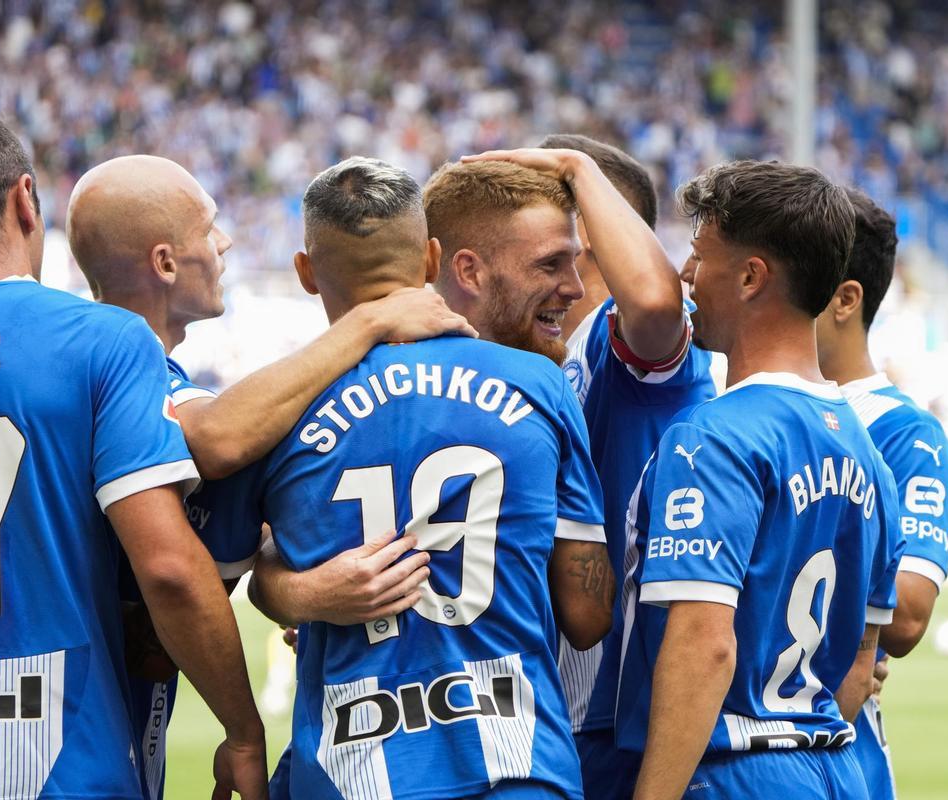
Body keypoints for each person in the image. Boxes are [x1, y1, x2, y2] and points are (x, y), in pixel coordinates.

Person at [200, 157, 612, 799]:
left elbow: (212, 583)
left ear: (306, 273)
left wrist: (294, 590)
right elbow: (587, 615)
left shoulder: (272, 413)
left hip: (349, 770)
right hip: (519, 769)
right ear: (431, 259)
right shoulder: (538, 386)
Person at [64, 154, 473, 798]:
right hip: (70, 743)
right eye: (209, 227)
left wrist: (306, 593)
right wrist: (372, 320)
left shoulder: (133, 381)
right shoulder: (112, 373)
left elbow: (250, 547)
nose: (225, 242)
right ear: (166, 262)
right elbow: (217, 439)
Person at [0, 100, 266, 798]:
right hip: (56, 758)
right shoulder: (99, 338)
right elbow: (168, 568)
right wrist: (243, 730)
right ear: (25, 200)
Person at [615, 160, 902, 800]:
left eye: (698, 255)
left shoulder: (713, 437)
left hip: (733, 771)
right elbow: (860, 664)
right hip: (832, 770)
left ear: (751, 277)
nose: (684, 275)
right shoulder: (868, 451)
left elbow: (704, 645)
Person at [463, 137, 719, 800]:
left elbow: (658, 306)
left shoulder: (621, 341)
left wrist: (578, 171)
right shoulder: (538, 358)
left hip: (610, 716)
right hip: (542, 710)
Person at [816, 188, 948, 800]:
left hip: (842, 764)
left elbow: (904, 616)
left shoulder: (907, 436)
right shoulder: (726, 412)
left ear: (846, 299)